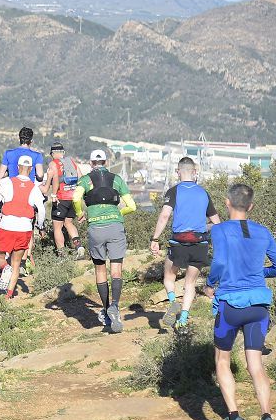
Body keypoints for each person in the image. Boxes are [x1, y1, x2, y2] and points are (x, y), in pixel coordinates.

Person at [205, 183, 276, 420]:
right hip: (258, 307)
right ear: (250, 206)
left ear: (227, 203)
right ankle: (266, 418)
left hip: (230, 306)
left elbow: (218, 262)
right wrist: (258, 274)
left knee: (222, 361)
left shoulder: (219, 230)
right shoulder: (263, 232)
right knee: (256, 365)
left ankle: (233, 419)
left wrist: (210, 284)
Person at [150, 157, 221, 333]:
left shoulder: (174, 191)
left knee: (169, 276)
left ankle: (173, 302)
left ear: (178, 172)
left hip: (179, 242)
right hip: (200, 243)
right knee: (190, 283)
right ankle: (182, 321)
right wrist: (204, 227)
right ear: (195, 172)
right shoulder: (203, 192)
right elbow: (217, 223)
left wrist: (155, 238)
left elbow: (165, 216)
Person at [73, 149, 136, 333]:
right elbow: (132, 206)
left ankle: (107, 310)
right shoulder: (116, 179)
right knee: (116, 267)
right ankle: (115, 305)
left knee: (100, 268)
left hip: (96, 227)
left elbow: (76, 197)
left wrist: (79, 214)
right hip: (115, 226)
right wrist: (117, 213)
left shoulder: (85, 180)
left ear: (91, 163)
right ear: (106, 162)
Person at [0, 155, 47, 298]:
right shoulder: (34, 188)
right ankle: (8, 295)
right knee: (17, 262)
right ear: (31, 169)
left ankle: (5, 268)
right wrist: (40, 226)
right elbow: (41, 210)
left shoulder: (6, 182)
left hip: (7, 225)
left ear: (17, 167)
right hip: (24, 228)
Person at [45, 143, 85, 259]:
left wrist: (53, 194)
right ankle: (79, 247)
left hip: (60, 199)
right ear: (63, 152)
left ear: (52, 154)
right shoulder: (71, 162)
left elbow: (53, 180)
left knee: (57, 227)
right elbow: (81, 178)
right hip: (73, 199)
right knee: (68, 223)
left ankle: (62, 256)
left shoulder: (53, 164)